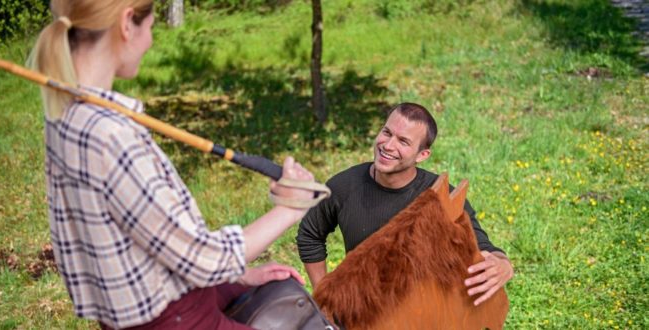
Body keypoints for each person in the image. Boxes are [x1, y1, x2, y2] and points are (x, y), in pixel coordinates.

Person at [29, 1, 317, 329]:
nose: (150, 41)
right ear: (126, 24)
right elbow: (201, 256)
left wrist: (239, 277)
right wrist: (291, 208)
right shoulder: (111, 137)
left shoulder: (64, 115)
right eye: (150, 27)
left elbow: (152, 240)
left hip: (168, 304)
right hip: (178, 320)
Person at [297, 102, 513, 306]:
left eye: (403, 141)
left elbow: (482, 247)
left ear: (422, 155)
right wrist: (323, 297)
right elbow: (310, 234)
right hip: (360, 311)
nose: (388, 145)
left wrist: (503, 264)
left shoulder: (441, 196)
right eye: (387, 132)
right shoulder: (344, 186)